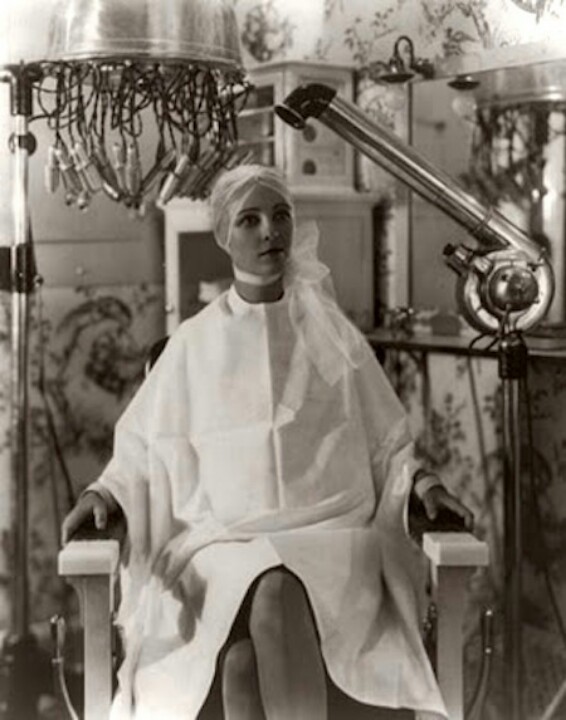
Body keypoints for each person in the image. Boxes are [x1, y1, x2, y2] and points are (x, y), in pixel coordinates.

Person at [62, 164, 474, 720]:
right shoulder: (192, 344)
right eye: (249, 220)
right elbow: (140, 451)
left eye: (280, 216)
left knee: (250, 646)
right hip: (221, 546)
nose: (269, 232)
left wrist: (421, 484)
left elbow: (386, 442)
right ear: (224, 235)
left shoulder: (331, 335)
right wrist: (103, 495)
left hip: (330, 539)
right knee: (260, 613)